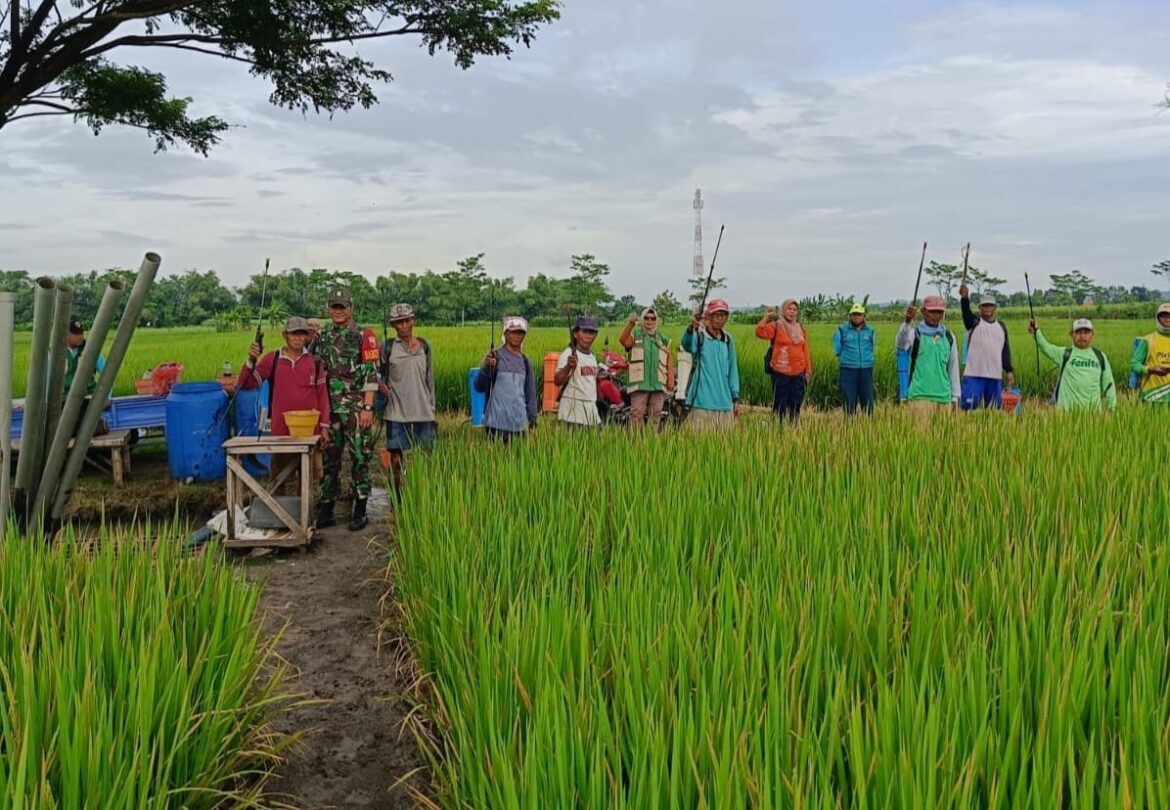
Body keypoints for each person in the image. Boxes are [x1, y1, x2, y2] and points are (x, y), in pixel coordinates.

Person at [239, 317, 331, 492]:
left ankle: (307, 518)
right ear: (285, 336)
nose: (297, 338)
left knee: (309, 482)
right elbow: (246, 384)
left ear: (307, 336)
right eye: (293, 334)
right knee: (280, 481)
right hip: (281, 433)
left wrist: (324, 426)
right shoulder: (272, 360)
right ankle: (280, 516)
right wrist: (251, 360)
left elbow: (322, 395)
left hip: (310, 433)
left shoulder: (315, 362)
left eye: (302, 334)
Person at [316, 286, 380, 531]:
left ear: (351, 308)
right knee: (329, 458)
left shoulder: (364, 335)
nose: (338, 311)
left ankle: (360, 507)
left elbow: (372, 374)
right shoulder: (321, 337)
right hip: (329, 409)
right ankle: (327, 507)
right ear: (328, 308)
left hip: (355, 406)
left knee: (359, 457)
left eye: (342, 307)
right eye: (334, 306)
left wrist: (367, 407)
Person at [379, 303, 437, 498]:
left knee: (426, 457)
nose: (403, 326)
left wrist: (432, 409)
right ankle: (398, 497)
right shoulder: (388, 348)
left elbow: (430, 380)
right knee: (396, 457)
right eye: (398, 322)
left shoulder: (425, 347)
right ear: (393, 325)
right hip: (396, 412)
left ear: (413, 320)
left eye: (406, 321)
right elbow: (375, 373)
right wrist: (381, 385)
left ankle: (423, 494)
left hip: (423, 411)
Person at [1029, 317, 1116, 412]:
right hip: (1066, 416)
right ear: (1071, 335)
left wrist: (1112, 409)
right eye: (1078, 332)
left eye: (1086, 333)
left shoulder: (1100, 357)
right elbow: (1046, 347)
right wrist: (1036, 331)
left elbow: (1109, 385)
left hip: (1093, 417)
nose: (1082, 336)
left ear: (1092, 335)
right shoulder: (1064, 354)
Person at [475, 315, 538, 442]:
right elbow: (479, 386)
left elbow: (530, 394)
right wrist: (487, 368)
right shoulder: (494, 357)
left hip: (519, 423)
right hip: (496, 423)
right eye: (513, 332)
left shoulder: (526, 362)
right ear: (506, 333)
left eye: (520, 333)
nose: (517, 336)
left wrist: (533, 421)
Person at [681, 299, 740, 430]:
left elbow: (732, 370)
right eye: (716, 315)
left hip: (724, 402)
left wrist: (735, 398)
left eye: (723, 316)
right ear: (708, 317)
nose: (720, 319)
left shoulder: (728, 340)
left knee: (723, 444)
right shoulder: (700, 337)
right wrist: (691, 328)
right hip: (702, 402)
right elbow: (687, 345)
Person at [895, 296, 961, 414]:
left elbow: (953, 367)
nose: (935, 315)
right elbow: (900, 344)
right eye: (931, 311)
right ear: (923, 311)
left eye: (939, 312)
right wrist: (907, 322)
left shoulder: (949, 337)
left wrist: (955, 397)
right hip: (919, 398)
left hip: (944, 398)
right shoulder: (914, 334)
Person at [958, 286, 1014, 410]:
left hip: (994, 376)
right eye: (984, 306)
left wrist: (1009, 370)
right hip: (974, 374)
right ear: (980, 308)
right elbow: (966, 314)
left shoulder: (1001, 327)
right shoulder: (974, 322)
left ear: (995, 308)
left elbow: (1005, 350)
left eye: (990, 305)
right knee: (968, 406)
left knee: (993, 410)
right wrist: (965, 298)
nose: (987, 308)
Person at [618, 307, 674, 430]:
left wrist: (670, 378)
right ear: (643, 320)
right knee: (637, 413)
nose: (649, 321)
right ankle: (635, 442)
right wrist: (631, 323)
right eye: (646, 318)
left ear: (656, 320)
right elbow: (623, 341)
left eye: (653, 318)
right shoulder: (636, 335)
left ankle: (651, 442)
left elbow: (668, 357)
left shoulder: (662, 338)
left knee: (656, 414)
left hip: (658, 383)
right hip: (640, 382)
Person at [755, 299, 811, 422]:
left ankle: (793, 428)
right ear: (783, 310)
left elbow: (805, 349)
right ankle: (779, 429)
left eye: (794, 309)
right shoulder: (776, 326)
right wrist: (766, 318)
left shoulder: (800, 328)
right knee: (780, 403)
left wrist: (807, 370)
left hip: (798, 372)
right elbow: (759, 332)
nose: (792, 312)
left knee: (796, 403)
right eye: (789, 309)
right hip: (780, 373)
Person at [553, 316, 601, 428]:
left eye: (592, 332)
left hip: (590, 411)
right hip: (572, 412)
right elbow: (557, 380)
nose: (588, 336)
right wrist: (568, 367)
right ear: (575, 334)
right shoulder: (569, 354)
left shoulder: (592, 356)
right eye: (585, 332)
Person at [833, 303, 876, 416]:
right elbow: (837, 350)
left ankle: (868, 427)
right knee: (849, 399)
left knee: (867, 400)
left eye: (859, 314)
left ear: (864, 316)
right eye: (854, 314)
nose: (857, 317)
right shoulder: (841, 330)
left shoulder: (870, 331)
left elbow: (872, 347)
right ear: (850, 316)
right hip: (848, 369)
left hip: (866, 369)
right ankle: (849, 428)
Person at [1129, 302, 1170, 404]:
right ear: (1157, 318)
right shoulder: (1147, 340)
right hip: (1151, 396)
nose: (1167, 318)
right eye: (1164, 315)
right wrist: (1149, 370)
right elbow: (1134, 364)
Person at [63, 319, 106, 396]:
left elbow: (106, 372)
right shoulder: (56, 353)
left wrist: (105, 396)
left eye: (81, 333)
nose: (80, 337)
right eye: (76, 334)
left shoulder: (90, 351)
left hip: (88, 396)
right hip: (63, 399)